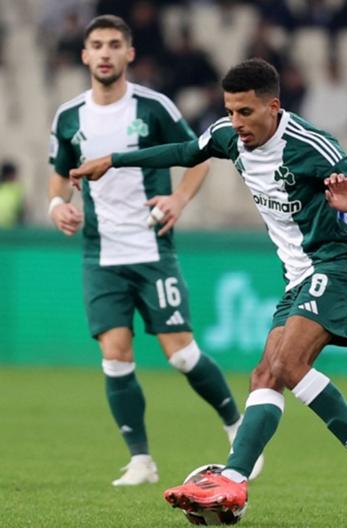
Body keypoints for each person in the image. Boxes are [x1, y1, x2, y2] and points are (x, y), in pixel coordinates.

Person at [70, 58, 347, 526]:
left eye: (246, 112)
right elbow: (187, 152)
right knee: (265, 375)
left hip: (338, 267)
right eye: (230, 111)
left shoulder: (311, 145)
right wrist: (113, 161)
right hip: (299, 277)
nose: (236, 122)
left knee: (288, 365)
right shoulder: (229, 136)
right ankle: (232, 479)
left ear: (274, 106)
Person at [47, 15, 254, 487]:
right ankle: (141, 460)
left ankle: (237, 427)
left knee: (181, 355)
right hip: (100, 256)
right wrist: (57, 205)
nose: (105, 53)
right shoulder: (68, 116)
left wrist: (179, 198)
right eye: (97, 45)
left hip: (151, 248)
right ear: (84, 55)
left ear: (130, 53)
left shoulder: (153, 107)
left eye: (113, 44)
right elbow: (60, 174)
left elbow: (200, 156)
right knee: (115, 356)